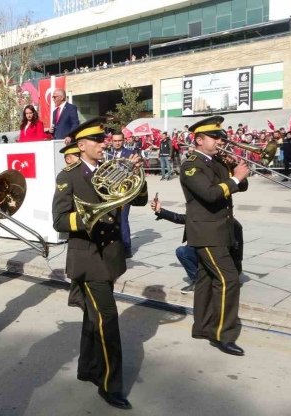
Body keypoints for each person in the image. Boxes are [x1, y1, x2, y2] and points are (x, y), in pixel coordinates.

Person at [52, 117, 148, 410]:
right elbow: (58, 220)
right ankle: (111, 384)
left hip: (110, 255)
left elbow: (139, 200)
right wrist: (87, 218)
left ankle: (87, 367)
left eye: (104, 139)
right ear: (81, 146)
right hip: (88, 257)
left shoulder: (114, 169)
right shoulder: (69, 176)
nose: (104, 143)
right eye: (98, 140)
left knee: (92, 317)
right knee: (107, 319)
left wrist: (137, 175)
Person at [180, 116, 249, 357]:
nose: (221, 140)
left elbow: (240, 186)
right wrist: (234, 177)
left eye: (221, 136)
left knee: (207, 280)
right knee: (229, 279)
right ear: (199, 140)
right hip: (206, 232)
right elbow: (210, 194)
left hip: (220, 229)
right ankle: (223, 334)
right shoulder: (191, 164)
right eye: (215, 137)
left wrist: (234, 168)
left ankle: (202, 327)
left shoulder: (216, 161)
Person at [150, 197, 244, 293]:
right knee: (182, 251)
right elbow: (180, 218)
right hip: (208, 258)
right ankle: (198, 282)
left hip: (224, 265)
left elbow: (236, 255)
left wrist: (232, 277)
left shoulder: (231, 224)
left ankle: (218, 280)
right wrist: (160, 210)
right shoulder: (203, 216)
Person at [107, 132, 136, 258]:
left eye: (119, 140)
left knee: (123, 220)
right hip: (111, 191)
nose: (117, 143)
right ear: (111, 141)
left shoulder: (130, 154)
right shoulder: (108, 154)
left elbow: (133, 172)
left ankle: (126, 248)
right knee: (112, 220)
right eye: (115, 140)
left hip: (124, 191)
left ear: (123, 141)